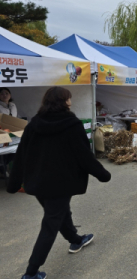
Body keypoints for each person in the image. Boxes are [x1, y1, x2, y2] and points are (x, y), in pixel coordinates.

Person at [7, 86, 111, 279]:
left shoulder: (34, 124)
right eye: (68, 98)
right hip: (61, 183)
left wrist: (13, 183)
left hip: (38, 183)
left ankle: (75, 240)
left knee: (59, 212)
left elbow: (21, 155)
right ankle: (30, 273)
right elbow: (84, 156)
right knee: (50, 224)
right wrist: (102, 174)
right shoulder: (72, 124)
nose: (70, 101)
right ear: (64, 102)